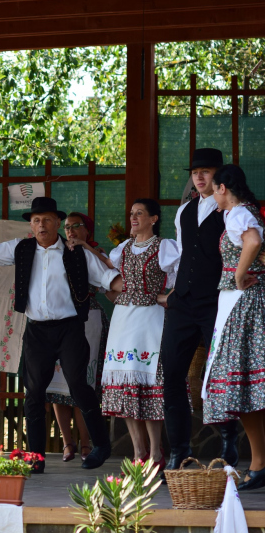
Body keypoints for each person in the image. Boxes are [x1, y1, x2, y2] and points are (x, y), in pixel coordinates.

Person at [0, 197, 122, 472]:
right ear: (31, 225)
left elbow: (111, 279)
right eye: (36, 220)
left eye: (47, 219)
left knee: (78, 385)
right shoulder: (20, 248)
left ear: (58, 223)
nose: (41, 225)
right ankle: (36, 457)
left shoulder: (77, 252)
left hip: (70, 327)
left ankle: (100, 446)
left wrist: (145, 287)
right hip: (36, 330)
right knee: (34, 393)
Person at [160, 148, 240, 473]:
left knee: (219, 375)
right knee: (172, 376)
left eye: (206, 171)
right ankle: (179, 451)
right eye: (195, 172)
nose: (200, 177)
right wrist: (172, 292)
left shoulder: (231, 211)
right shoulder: (184, 211)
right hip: (183, 303)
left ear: (219, 175)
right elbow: (181, 255)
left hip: (216, 302)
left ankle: (229, 439)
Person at [97, 199, 179, 470]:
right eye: (131, 213)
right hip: (123, 320)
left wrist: (165, 297)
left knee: (149, 382)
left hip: (150, 320)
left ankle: (156, 452)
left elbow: (180, 280)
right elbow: (109, 275)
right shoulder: (122, 249)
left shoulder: (165, 247)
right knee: (124, 384)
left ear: (153, 219)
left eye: (139, 213)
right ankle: (138, 451)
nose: (133, 217)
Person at [202, 165, 265, 490]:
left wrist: (239, 275)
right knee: (246, 387)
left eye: (214, 189)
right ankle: (260, 460)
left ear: (223, 188)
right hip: (240, 303)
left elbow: (252, 242)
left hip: (245, 304)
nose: (213, 196)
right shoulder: (242, 212)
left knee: (240, 383)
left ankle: (259, 462)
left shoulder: (239, 213)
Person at [47, 213, 110, 462]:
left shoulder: (98, 252)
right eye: (67, 227)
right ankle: (67, 442)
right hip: (59, 320)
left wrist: (86, 249)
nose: (71, 231)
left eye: (76, 227)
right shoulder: (57, 252)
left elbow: (109, 275)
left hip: (88, 318)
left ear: (88, 231)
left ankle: (86, 443)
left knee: (81, 382)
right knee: (57, 384)